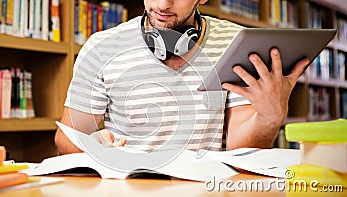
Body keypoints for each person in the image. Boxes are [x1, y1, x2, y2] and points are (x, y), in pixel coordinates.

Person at [55, 0, 309, 154]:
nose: (163, 5)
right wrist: (91, 147)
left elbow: (241, 148)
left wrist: (269, 118)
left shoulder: (237, 42)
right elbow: (65, 138)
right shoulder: (102, 46)